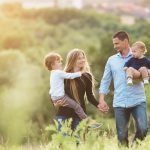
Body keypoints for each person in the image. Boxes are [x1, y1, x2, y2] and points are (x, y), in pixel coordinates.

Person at [98, 31, 148, 146]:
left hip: (138, 100)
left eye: (117, 43)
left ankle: (135, 147)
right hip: (120, 102)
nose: (114, 46)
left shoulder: (139, 56)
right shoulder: (111, 60)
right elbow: (105, 80)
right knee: (121, 136)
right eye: (114, 44)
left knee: (143, 129)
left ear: (125, 42)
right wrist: (101, 99)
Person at [53, 49, 101, 131]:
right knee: (63, 140)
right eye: (79, 58)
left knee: (77, 141)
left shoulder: (86, 76)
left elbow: (90, 96)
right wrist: (55, 104)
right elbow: (54, 92)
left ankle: (88, 122)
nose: (82, 60)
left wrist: (99, 105)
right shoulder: (63, 76)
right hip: (64, 113)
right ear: (72, 60)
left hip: (79, 115)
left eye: (83, 58)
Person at [43, 52, 88, 120]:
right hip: (61, 97)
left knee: (74, 106)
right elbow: (69, 76)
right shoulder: (58, 72)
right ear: (52, 65)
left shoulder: (52, 73)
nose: (61, 63)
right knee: (77, 106)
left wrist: (54, 101)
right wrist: (80, 73)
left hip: (54, 97)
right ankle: (87, 121)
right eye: (58, 62)